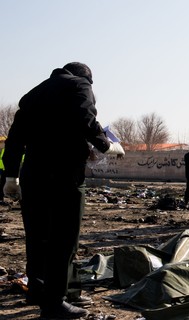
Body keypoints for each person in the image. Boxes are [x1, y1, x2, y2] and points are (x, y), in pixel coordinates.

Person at [2, 62, 124, 319]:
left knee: (37, 235)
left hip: (32, 175)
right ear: (87, 79)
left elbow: (14, 139)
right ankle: (54, 303)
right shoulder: (80, 85)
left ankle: (37, 288)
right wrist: (105, 145)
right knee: (64, 238)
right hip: (64, 175)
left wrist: (11, 176)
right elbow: (85, 118)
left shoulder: (34, 93)